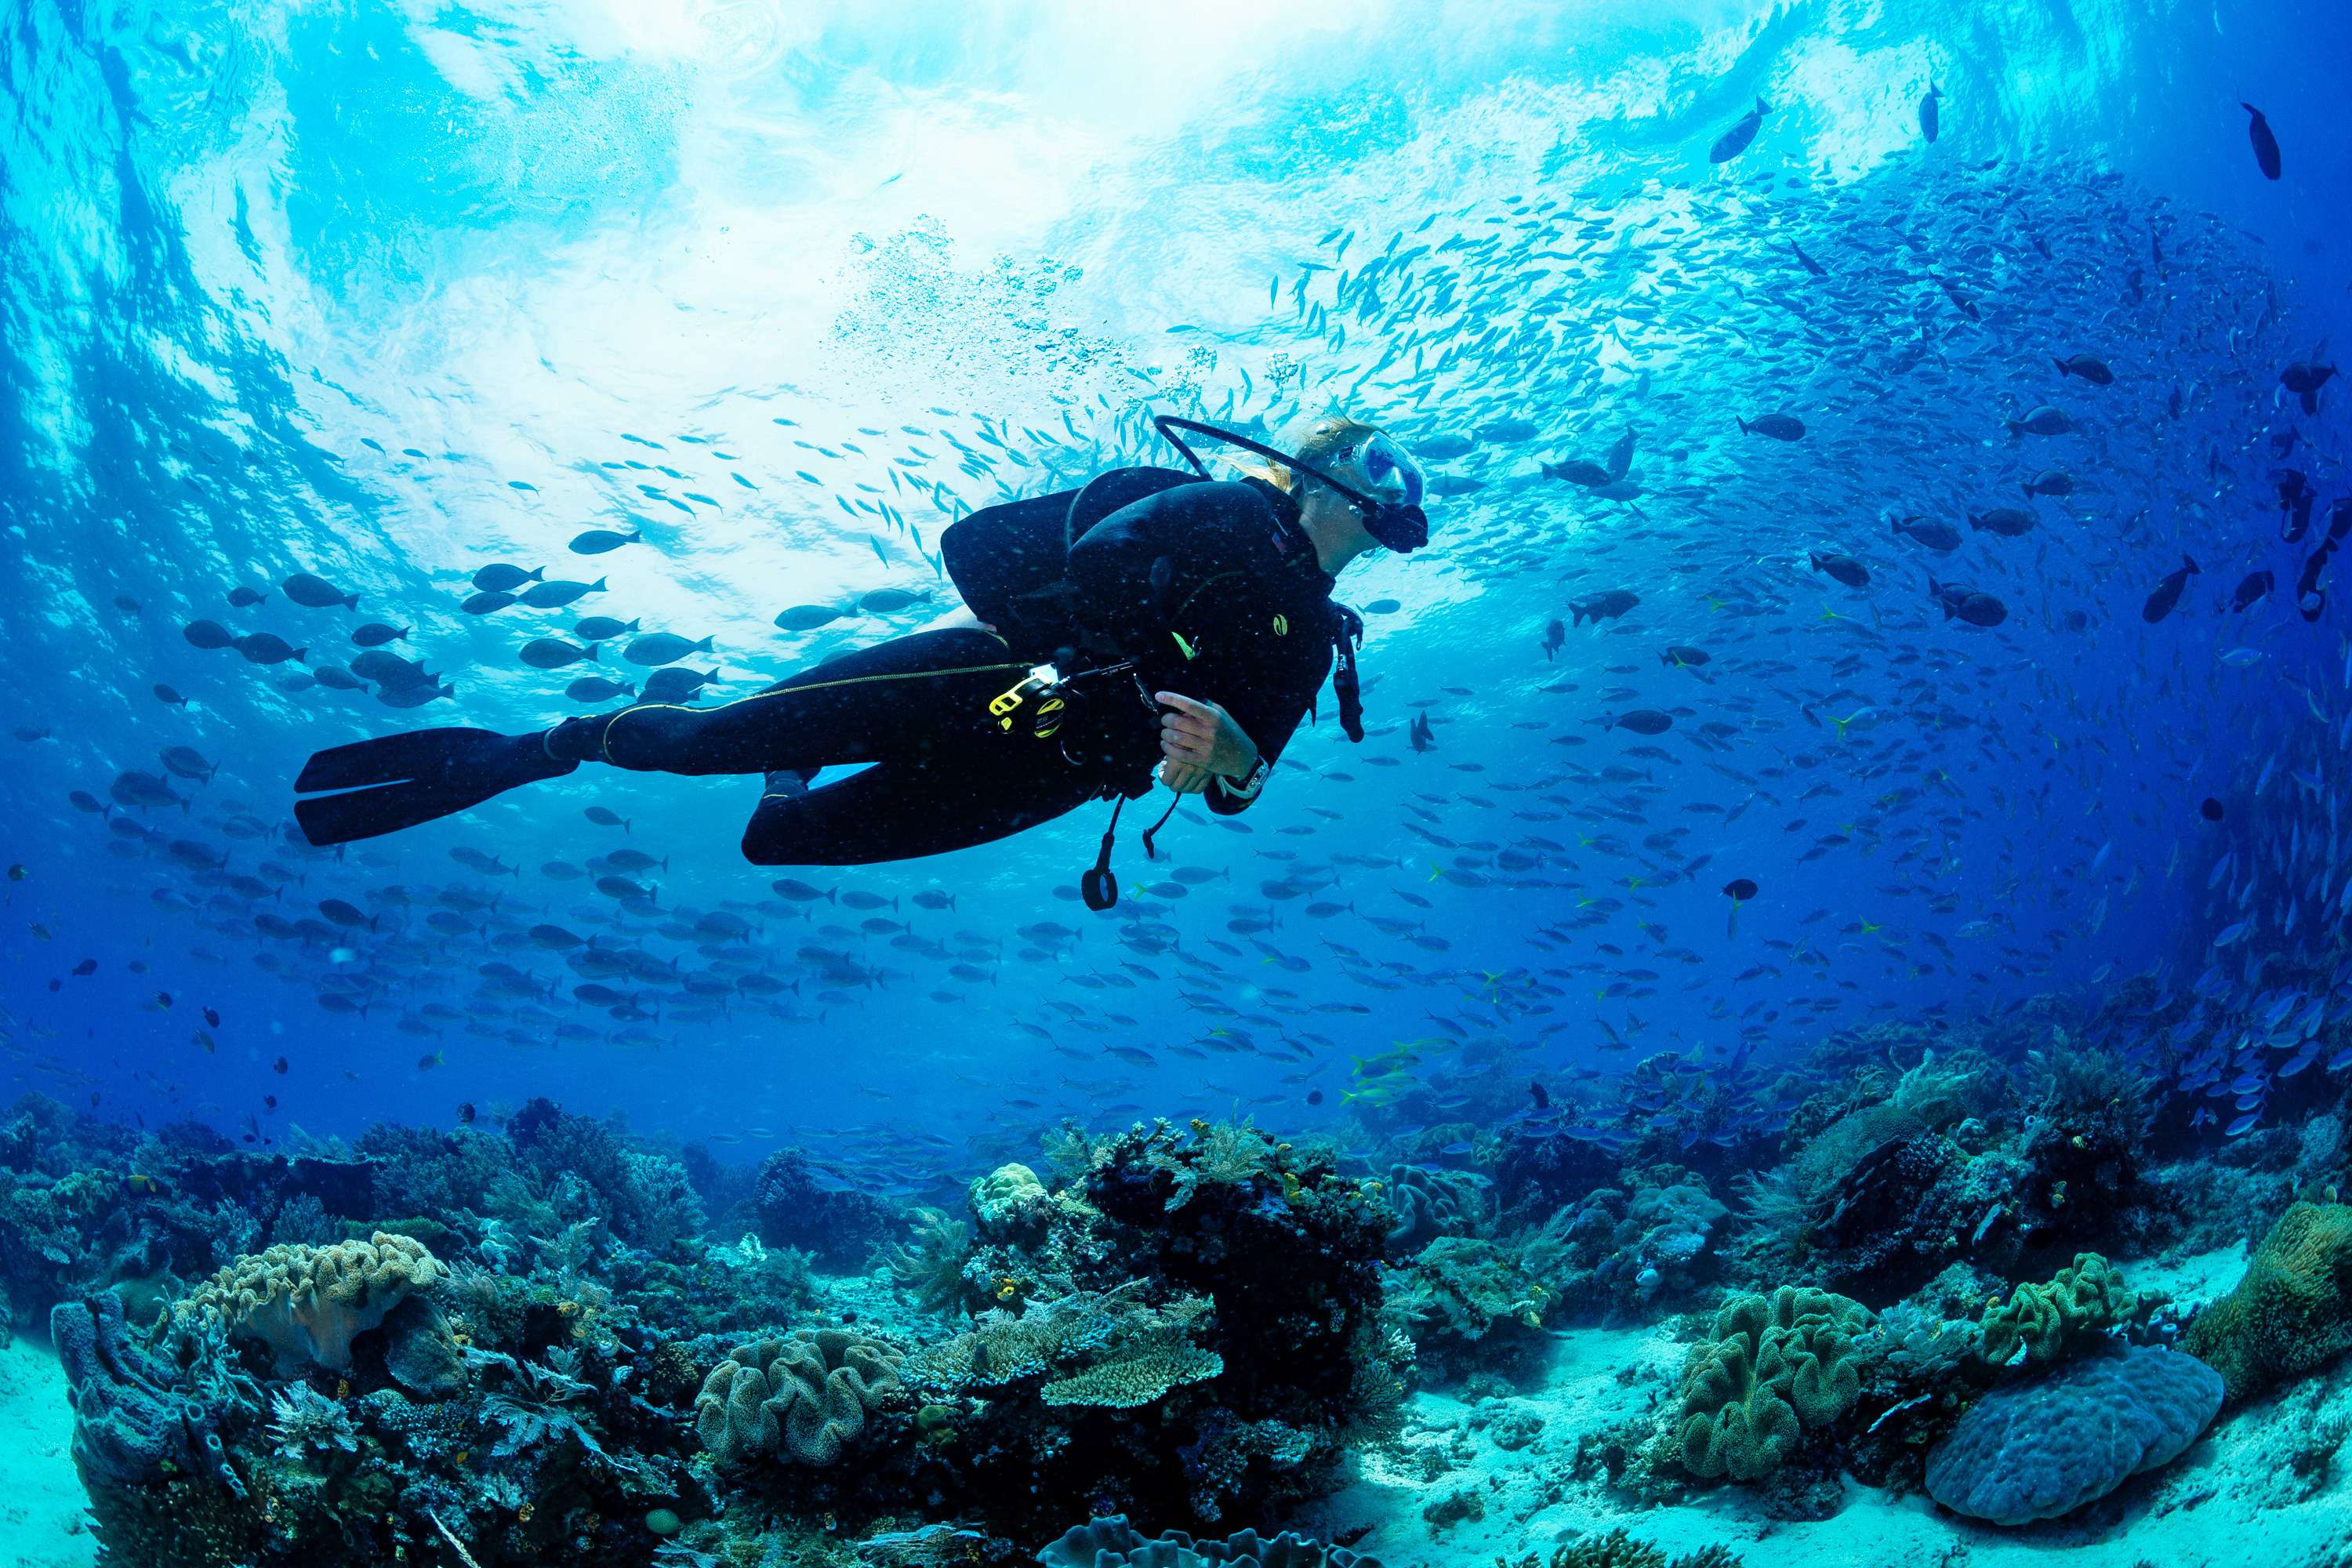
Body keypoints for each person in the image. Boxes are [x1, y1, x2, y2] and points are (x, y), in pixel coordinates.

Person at [292, 412, 1429, 900]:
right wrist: (1127, 667)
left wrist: (1228, 760)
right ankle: (548, 744)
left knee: (780, 839)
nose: (1399, 488)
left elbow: (1244, 786)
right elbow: (1089, 559)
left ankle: (790, 777)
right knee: (698, 745)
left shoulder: (1318, 639)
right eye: (1381, 460)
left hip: (1059, 772)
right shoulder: (1228, 514)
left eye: (1409, 480)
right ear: (1321, 471)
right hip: (987, 675)